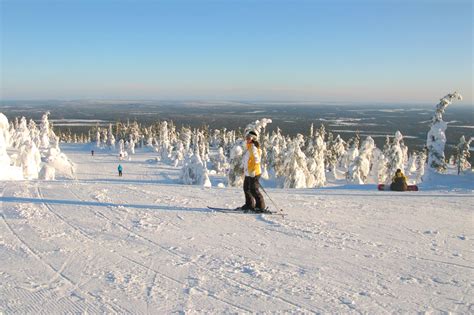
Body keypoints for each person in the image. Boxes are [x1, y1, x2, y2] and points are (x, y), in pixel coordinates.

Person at [241, 130, 266, 212]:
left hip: (254, 173)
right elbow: (247, 160)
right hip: (249, 173)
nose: (247, 139)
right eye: (246, 137)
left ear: (253, 139)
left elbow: (257, 160)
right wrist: (244, 169)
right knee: (246, 188)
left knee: (254, 190)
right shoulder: (249, 147)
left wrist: (253, 171)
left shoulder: (253, 148)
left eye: (248, 138)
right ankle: (249, 205)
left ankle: (260, 206)